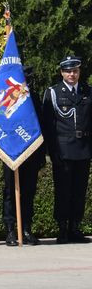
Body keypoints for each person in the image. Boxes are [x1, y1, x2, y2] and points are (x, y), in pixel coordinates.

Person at [42, 55, 92, 244]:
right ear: (62, 72)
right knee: (63, 191)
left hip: (83, 149)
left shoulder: (88, 91)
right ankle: (62, 228)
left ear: (79, 72)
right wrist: (52, 152)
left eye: (75, 70)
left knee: (80, 191)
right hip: (63, 149)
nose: (72, 74)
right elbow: (48, 125)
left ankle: (75, 227)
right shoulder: (54, 93)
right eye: (68, 71)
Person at [3, 66, 45, 246]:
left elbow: (41, 126)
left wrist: (42, 153)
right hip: (12, 151)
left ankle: (26, 228)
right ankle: (11, 230)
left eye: (28, 78)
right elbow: (0, 124)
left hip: (31, 152)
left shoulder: (33, 98)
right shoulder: (7, 98)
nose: (27, 81)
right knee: (11, 192)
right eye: (24, 78)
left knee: (28, 192)